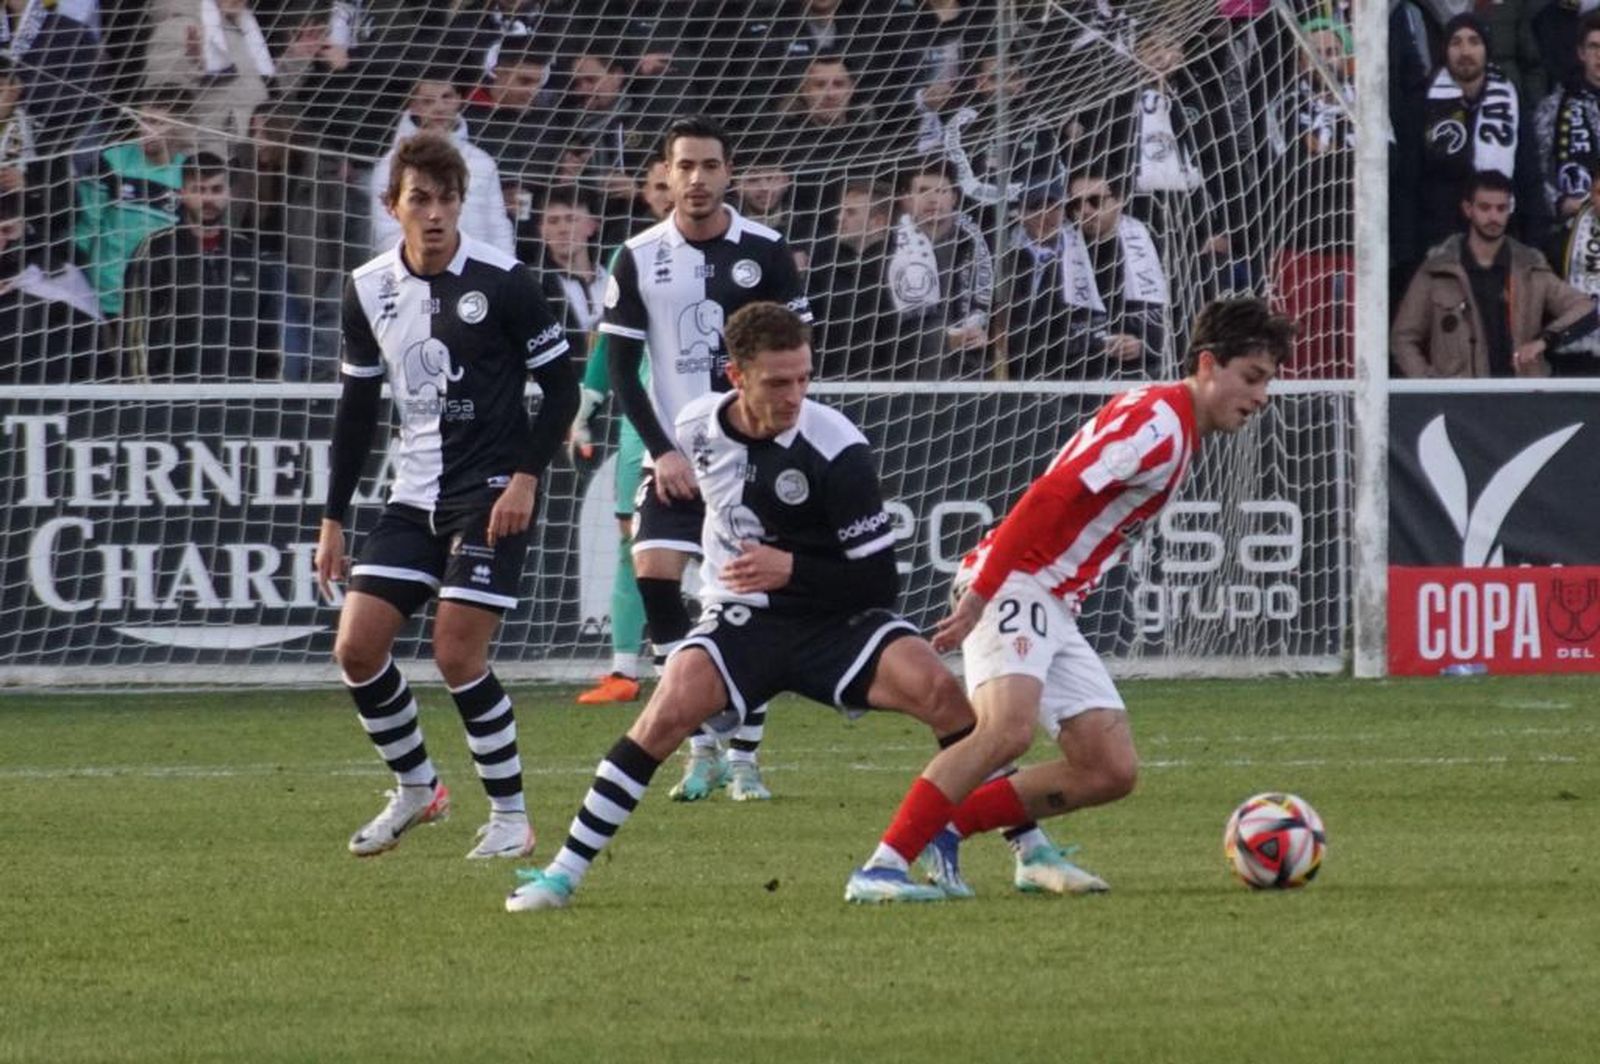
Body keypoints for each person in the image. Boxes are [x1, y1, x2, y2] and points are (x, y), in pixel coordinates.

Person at [505, 301, 1011, 912]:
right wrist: (661, 539)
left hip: (836, 618)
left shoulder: (838, 448)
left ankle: (1028, 849)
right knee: (667, 710)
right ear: (736, 377)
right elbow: (675, 501)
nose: (795, 394)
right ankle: (562, 874)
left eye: (803, 377)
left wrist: (792, 567)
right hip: (745, 619)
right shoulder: (695, 427)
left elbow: (878, 585)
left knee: (940, 692)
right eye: (777, 381)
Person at [921, 297, 1295, 897]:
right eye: (1252, 378)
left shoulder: (1175, 427)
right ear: (1208, 363)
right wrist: (981, 592)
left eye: (1268, 382)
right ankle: (892, 855)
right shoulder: (1158, 425)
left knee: (1110, 768)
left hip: (1055, 602)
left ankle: (967, 835)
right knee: (1006, 731)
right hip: (1021, 583)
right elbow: (1048, 496)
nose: (1261, 397)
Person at [313, 131, 578, 859]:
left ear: (463, 203)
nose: (435, 214)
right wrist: (333, 518)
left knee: (457, 653)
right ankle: (417, 787)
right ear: (391, 205)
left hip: (492, 490)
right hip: (414, 495)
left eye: (447, 199)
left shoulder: (505, 281)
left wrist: (526, 477)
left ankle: (511, 816)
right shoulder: (367, 287)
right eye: (419, 199)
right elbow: (357, 409)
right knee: (357, 648)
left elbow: (561, 391)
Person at [601, 115, 812, 802]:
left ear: (729, 174)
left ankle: (746, 758)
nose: (695, 180)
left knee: (750, 603)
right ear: (664, 175)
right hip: (673, 457)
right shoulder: (636, 256)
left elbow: (794, 362)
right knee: (655, 575)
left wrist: (778, 439)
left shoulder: (769, 251)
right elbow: (623, 371)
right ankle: (700, 746)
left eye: (709, 166)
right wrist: (662, 450)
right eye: (682, 167)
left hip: (750, 456)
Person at [568, 164, 680, 707]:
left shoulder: (729, 253)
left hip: (714, 421)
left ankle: (697, 663)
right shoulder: (631, 255)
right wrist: (585, 407)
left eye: (673, 184)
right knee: (631, 540)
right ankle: (624, 669)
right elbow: (611, 346)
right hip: (644, 426)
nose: (668, 195)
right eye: (658, 187)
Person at [1392, 169, 1597, 378]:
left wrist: (1544, 341)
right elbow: (1403, 338)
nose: (1494, 217)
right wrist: (1430, 385)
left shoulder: (1530, 265)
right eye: (1485, 208)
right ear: (1467, 208)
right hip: (1459, 400)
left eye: (1501, 208)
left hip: (1523, 397)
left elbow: (1585, 307)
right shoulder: (1437, 268)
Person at [123, 151, 282, 380]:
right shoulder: (155, 250)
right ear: (182, 194)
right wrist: (144, 396)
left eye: (216, 189)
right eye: (199, 189)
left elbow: (269, 336)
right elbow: (134, 335)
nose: (208, 199)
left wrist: (268, 392)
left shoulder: (249, 255)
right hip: (172, 395)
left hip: (240, 396)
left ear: (229, 193)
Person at [369, 68, 516, 257]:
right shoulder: (390, 165)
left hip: (479, 274)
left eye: (446, 97)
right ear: (413, 106)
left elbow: (498, 228)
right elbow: (386, 232)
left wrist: (506, 273)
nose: (439, 107)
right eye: (428, 101)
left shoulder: (482, 161)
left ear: (458, 100)